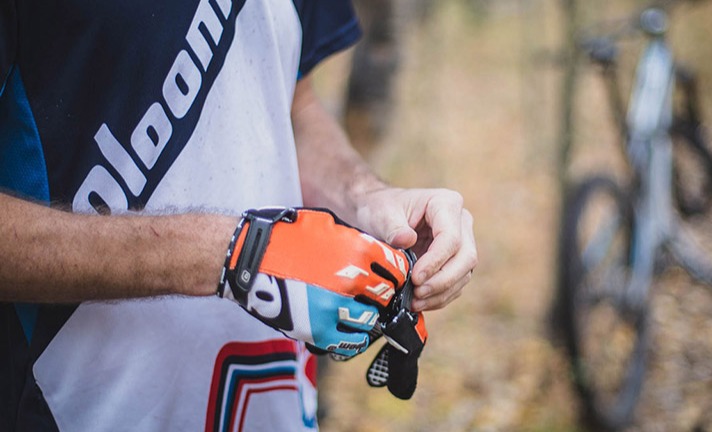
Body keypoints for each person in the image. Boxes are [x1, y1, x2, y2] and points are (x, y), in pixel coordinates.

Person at [0, 1, 477, 431]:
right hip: (72, 406)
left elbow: (295, 104)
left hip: (275, 403)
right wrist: (234, 253)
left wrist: (369, 198)